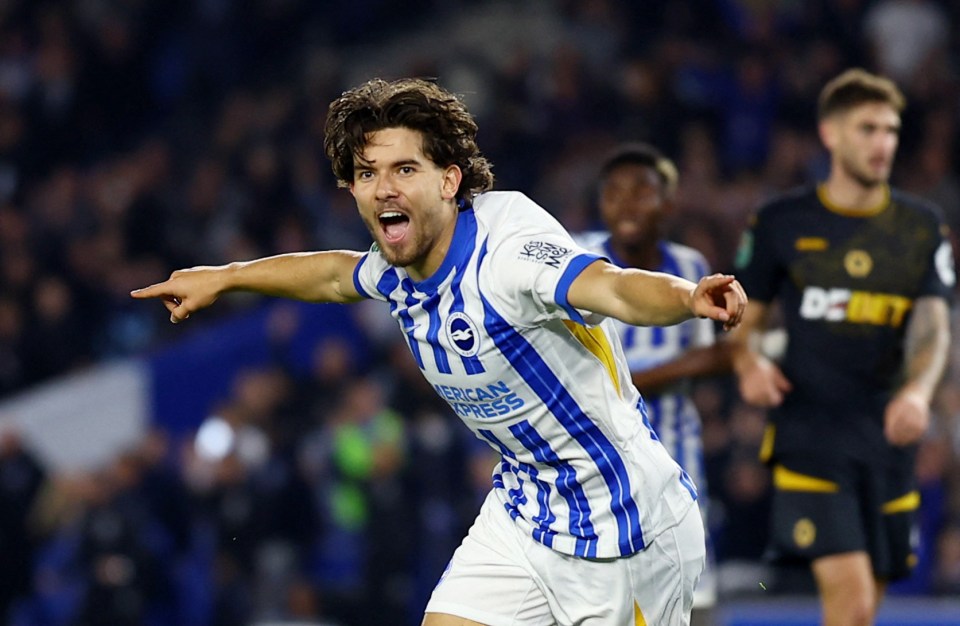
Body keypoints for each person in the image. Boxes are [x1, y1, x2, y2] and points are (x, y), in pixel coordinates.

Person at [132, 77, 747, 625]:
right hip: (527, 509)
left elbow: (611, 286)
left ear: (449, 180)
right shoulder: (398, 266)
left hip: (628, 527)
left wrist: (690, 295)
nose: (382, 189)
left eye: (403, 169)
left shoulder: (508, 252)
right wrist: (227, 275)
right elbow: (330, 274)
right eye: (367, 174)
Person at [728, 68, 954, 626]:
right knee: (852, 609)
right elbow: (743, 318)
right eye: (868, 129)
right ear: (830, 133)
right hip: (811, 440)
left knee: (863, 612)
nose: (883, 144)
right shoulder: (782, 222)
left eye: (891, 130)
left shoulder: (922, 228)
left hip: (889, 443)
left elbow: (932, 326)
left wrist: (920, 393)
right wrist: (749, 361)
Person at [576, 142, 731, 625]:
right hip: (592, 465)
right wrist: (669, 372)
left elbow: (716, 355)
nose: (626, 203)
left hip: (674, 459)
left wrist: (627, 382)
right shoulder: (576, 258)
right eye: (614, 192)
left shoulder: (690, 267)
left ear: (669, 204)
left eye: (642, 191)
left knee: (690, 599)